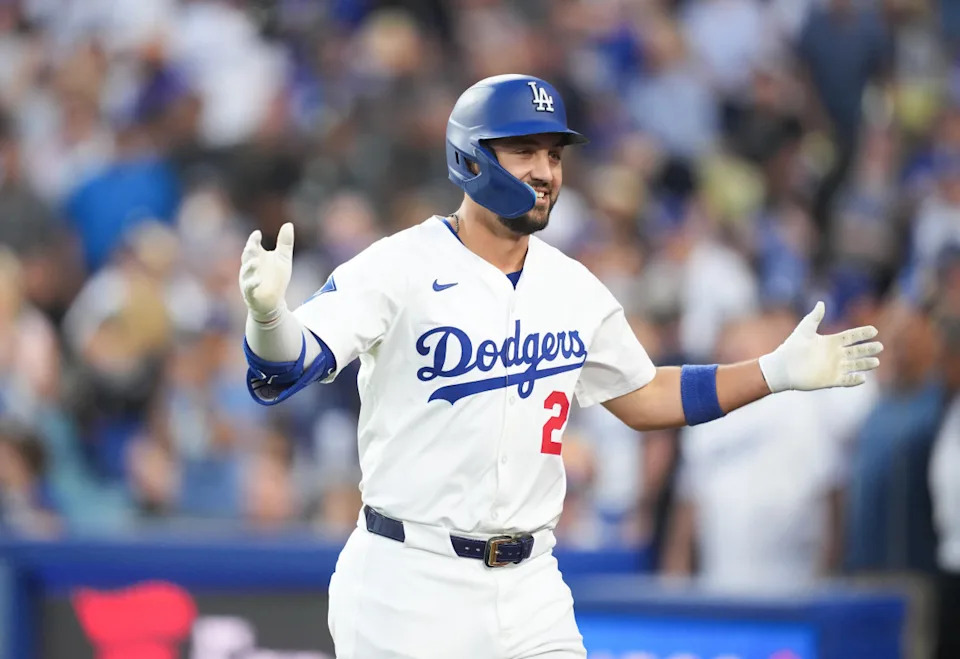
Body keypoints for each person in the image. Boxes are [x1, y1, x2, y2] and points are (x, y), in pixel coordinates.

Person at [238, 74, 883, 659]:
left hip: (530, 583)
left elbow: (646, 394)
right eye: (524, 151)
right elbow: (292, 362)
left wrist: (771, 371)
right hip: (410, 580)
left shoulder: (572, 287)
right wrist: (269, 317)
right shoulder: (397, 266)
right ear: (471, 156)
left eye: (554, 154)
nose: (546, 171)